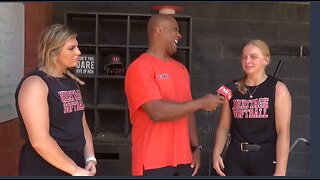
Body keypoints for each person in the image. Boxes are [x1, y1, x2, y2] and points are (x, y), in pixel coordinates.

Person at [124, 14, 225, 176]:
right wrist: (201, 103)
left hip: (184, 161)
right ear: (158, 30)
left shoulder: (181, 70)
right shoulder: (140, 68)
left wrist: (195, 147)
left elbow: (188, 112)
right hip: (152, 162)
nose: (179, 35)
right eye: (175, 30)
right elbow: (156, 112)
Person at [15, 24, 97, 176]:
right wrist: (75, 170)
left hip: (75, 165)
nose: (78, 52)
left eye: (77, 47)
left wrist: (90, 158)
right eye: (71, 48)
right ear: (53, 51)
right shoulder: (35, 84)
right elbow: (40, 141)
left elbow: (82, 122)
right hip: (45, 168)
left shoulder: (71, 82)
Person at [212, 39, 292, 176]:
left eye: (253, 57)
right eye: (244, 57)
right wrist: (216, 153)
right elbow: (224, 126)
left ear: (266, 60)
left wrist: (281, 170)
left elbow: (283, 132)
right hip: (236, 157)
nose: (247, 61)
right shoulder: (232, 87)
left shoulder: (278, 89)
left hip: (265, 157)